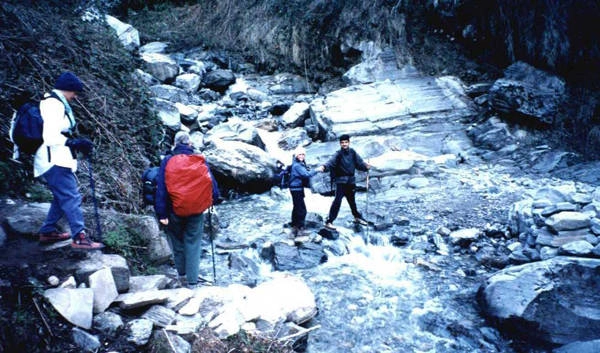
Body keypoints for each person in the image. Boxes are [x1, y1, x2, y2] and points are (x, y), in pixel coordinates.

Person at [35, 72, 104, 250]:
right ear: (68, 90)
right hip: (53, 159)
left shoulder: (54, 102)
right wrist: (73, 142)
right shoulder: (54, 105)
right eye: (75, 93)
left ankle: (48, 231)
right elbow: (50, 137)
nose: (75, 97)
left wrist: (74, 143)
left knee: (62, 197)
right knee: (71, 197)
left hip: (57, 157)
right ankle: (79, 237)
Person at [155, 131, 220, 288]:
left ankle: (182, 275)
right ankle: (192, 281)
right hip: (196, 209)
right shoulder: (198, 159)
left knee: (177, 242)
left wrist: (161, 212)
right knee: (193, 243)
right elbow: (212, 183)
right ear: (189, 144)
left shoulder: (168, 161)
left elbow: (161, 188)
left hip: (173, 210)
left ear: (175, 144)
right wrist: (213, 201)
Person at [318, 134, 370, 230]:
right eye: (342, 143)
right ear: (340, 144)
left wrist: (365, 167)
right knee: (337, 201)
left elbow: (359, 163)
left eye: (346, 142)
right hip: (341, 182)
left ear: (349, 142)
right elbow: (331, 162)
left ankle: (357, 217)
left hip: (350, 181)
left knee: (352, 202)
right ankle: (329, 221)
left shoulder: (353, 152)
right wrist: (324, 167)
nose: (344, 144)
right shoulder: (338, 154)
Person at [288, 146, 319, 237]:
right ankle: (300, 228)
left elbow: (304, 171)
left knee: (296, 207)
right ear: (296, 155)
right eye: (300, 154)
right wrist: (316, 170)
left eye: (303, 154)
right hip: (296, 188)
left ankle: (294, 225)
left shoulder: (298, 163)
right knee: (302, 209)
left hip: (296, 188)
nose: (301, 156)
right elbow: (306, 175)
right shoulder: (297, 165)